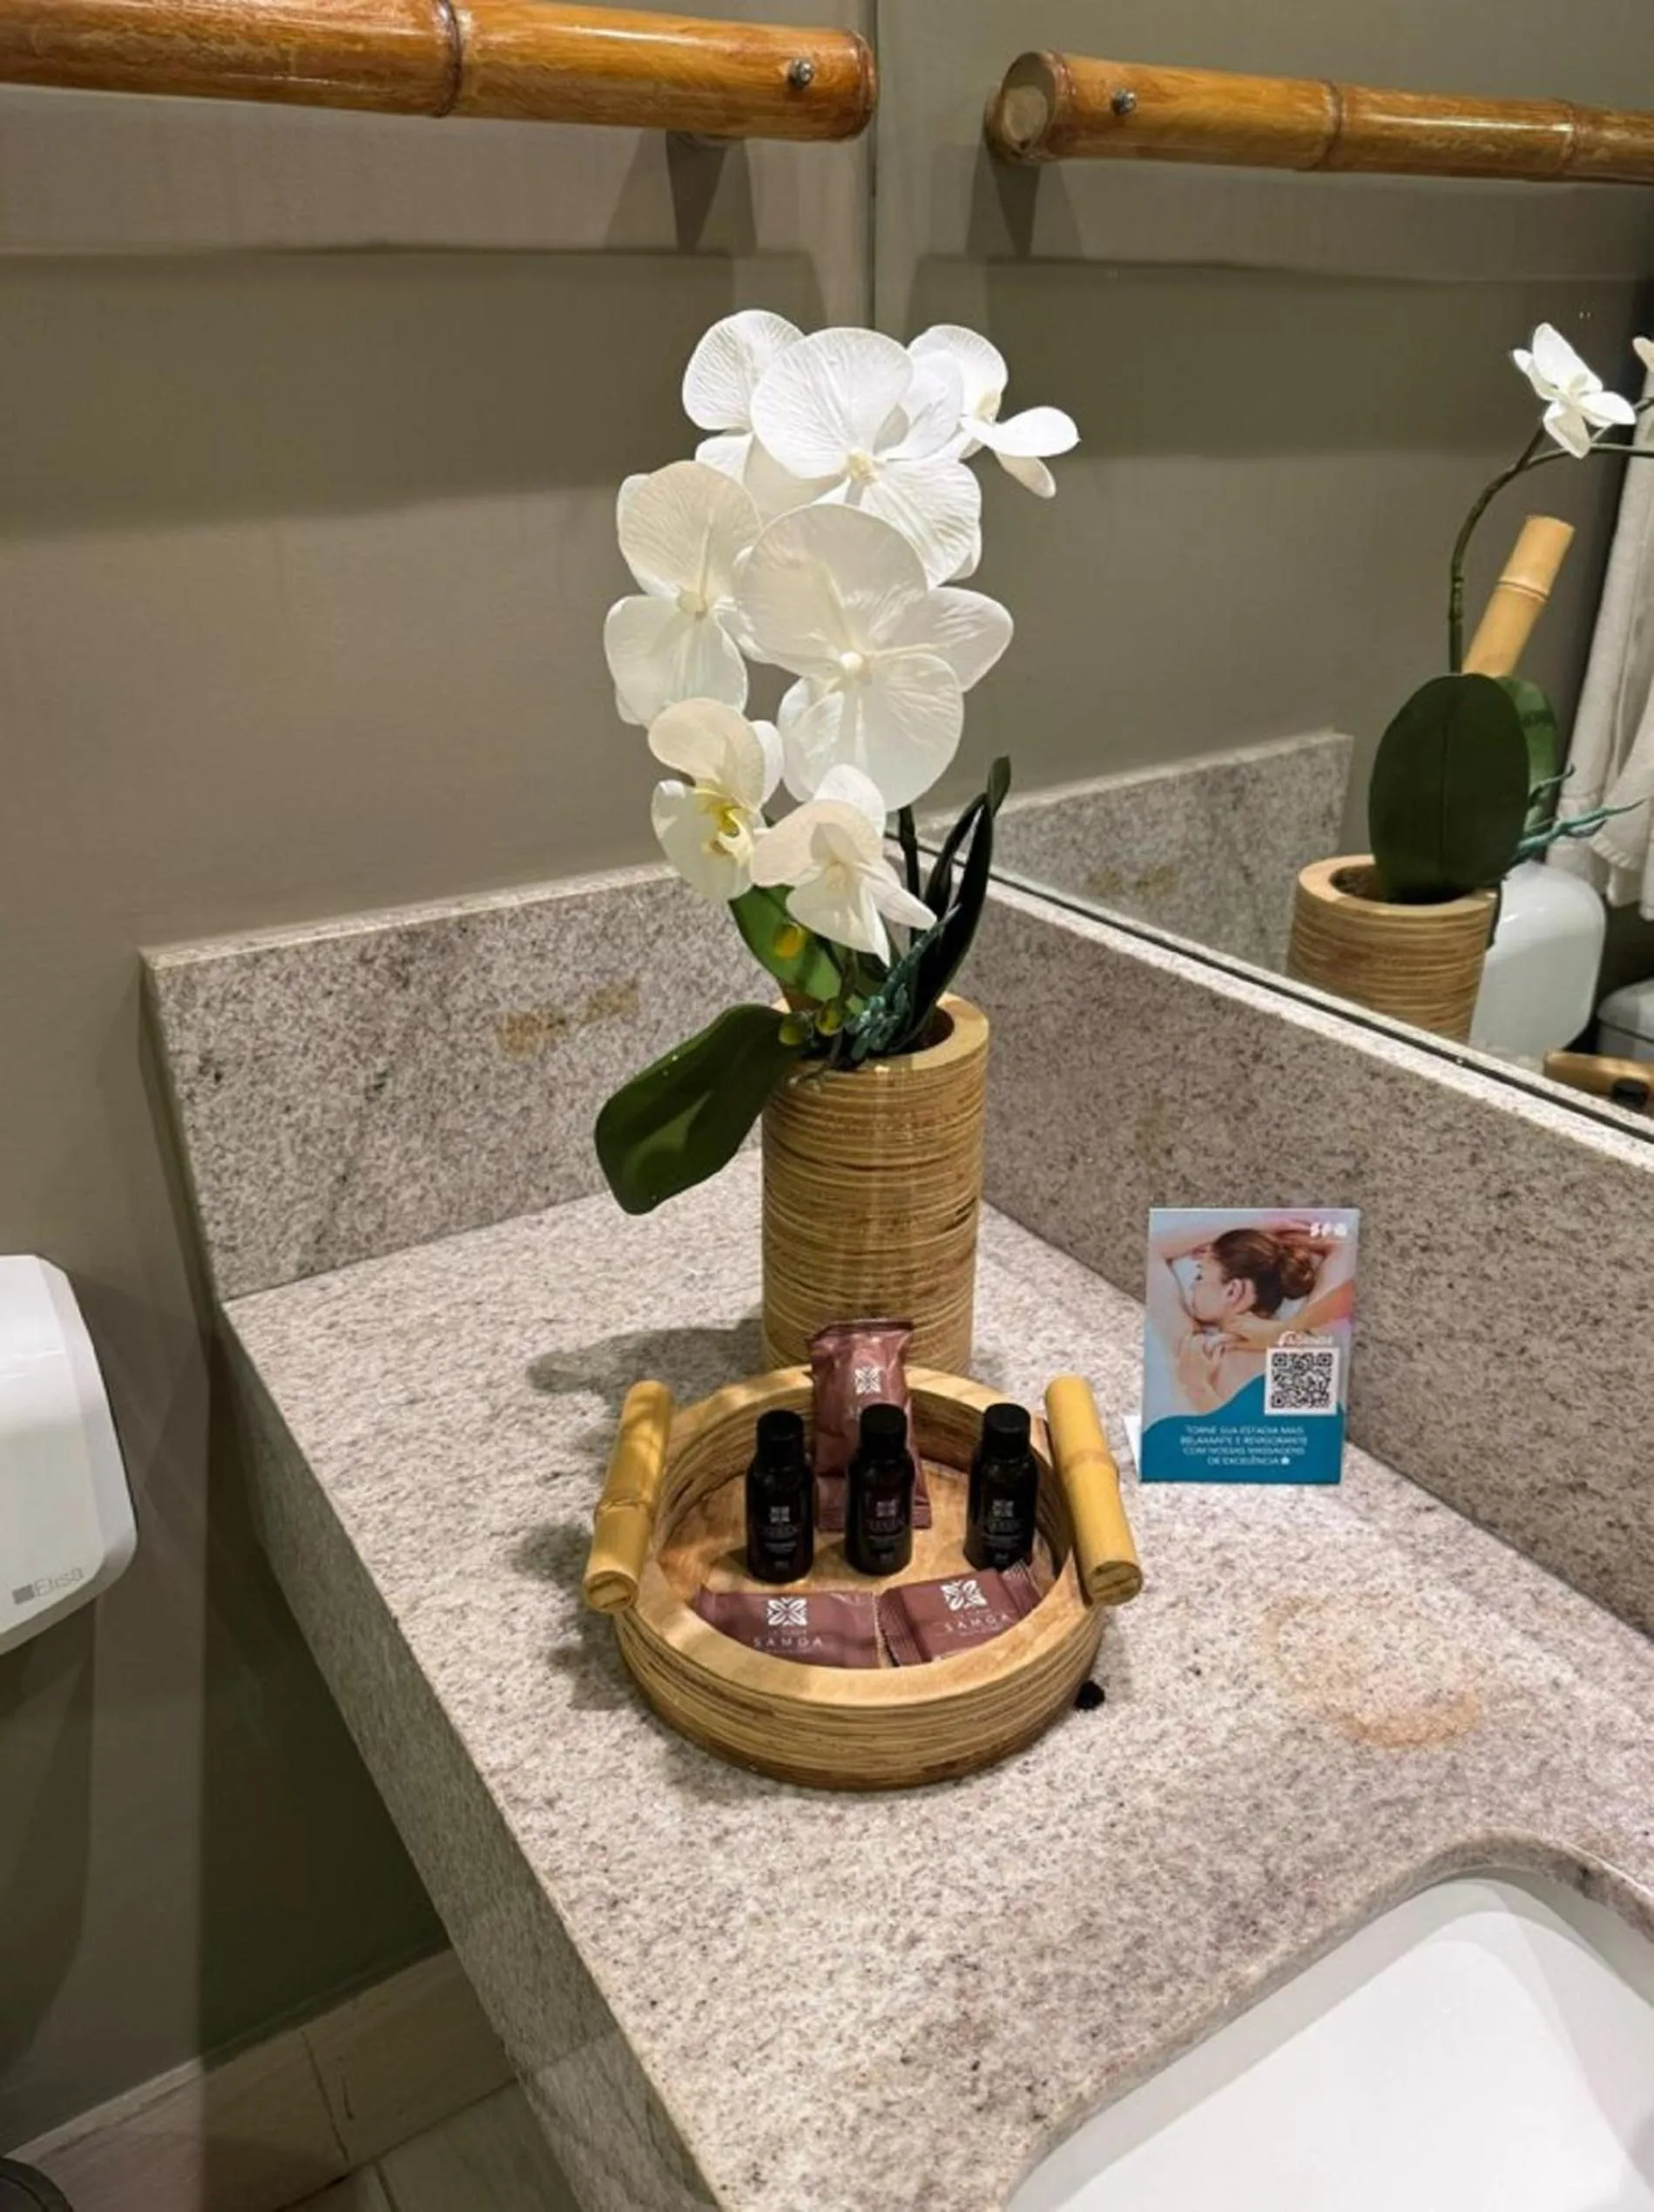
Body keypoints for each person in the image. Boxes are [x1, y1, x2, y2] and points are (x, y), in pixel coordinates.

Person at [1146, 1213, 1354, 1416]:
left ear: (1232, 1291)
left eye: (1200, 1276)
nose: (1192, 1286)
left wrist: (1197, 1388)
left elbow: (1155, 1248)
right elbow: (1342, 1247)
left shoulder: (1197, 1352)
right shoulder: (1305, 1349)